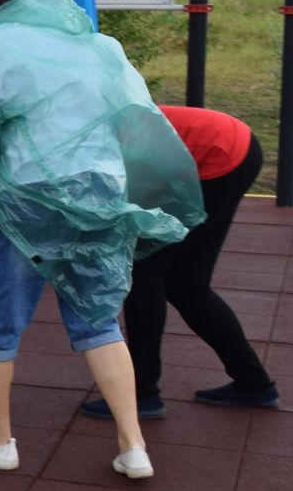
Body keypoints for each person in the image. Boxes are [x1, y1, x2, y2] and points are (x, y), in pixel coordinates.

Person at [0, 0, 201, 482]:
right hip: (99, 186)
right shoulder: (94, 41)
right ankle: (133, 446)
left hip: (30, 192)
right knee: (97, 316)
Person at [81, 105, 279, 419]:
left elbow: (131, 199)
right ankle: (253, 382)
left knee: (144, 269)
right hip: (230, 147)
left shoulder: (91, 140)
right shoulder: (91, 128)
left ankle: (141, 392)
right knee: (187, 284)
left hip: (217, 158)